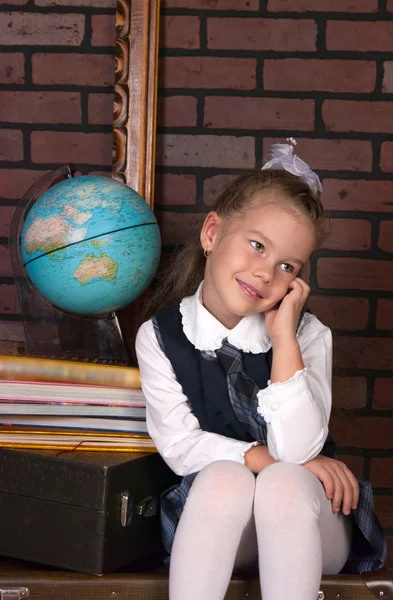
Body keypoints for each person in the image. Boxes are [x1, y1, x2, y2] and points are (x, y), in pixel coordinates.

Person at [135, 140, 386, 600]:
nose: (265, 273)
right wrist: (258, 458)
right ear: (212, 233)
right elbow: (180, 445)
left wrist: (284, 337)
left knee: (286, 483)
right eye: (256, 246)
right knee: (222, 476)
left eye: (286, 265)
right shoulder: (160, 335)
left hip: (308, 521)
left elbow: (296, 451)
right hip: (220, 523)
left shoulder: (307, 335)